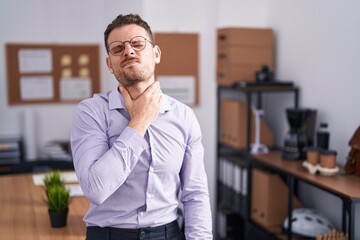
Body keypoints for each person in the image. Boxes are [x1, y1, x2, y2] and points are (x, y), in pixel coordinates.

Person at [70, 13, 213, 240]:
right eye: (118, 49)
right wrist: (139, 122)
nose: (128, 51)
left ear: (156, 54)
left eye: (137, 43)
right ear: (109, 64)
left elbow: (195, 195)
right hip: (108, 235)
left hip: (168, 234)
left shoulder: (184, 116)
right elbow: (95, 189)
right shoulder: (91, 111)